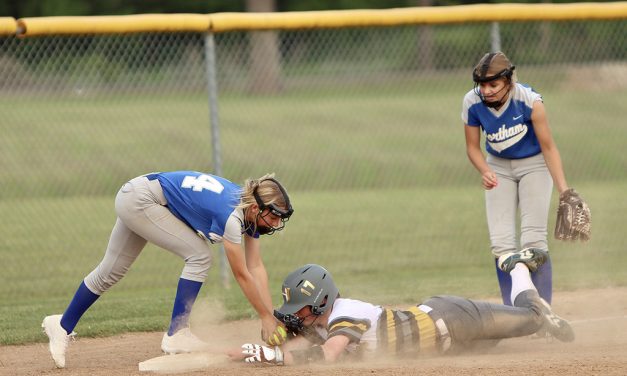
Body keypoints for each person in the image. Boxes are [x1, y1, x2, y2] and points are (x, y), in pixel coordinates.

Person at [42, 171, 293, 368]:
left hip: (138, 194)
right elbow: (241, 274)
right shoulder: (232, 217)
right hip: (143, 199)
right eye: (272, 216)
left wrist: (269, 315)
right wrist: (264, 317)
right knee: (199, 255)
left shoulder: (246, 210)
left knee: (110, 272)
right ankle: (177, 333)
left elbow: (256, 266)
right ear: (255, 208)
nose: (275, 223)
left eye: (279, 218)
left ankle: (62, 325)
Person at [232, 249, 574, 366]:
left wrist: (274, 357)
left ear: (321, 301)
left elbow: (328, 356)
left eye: (301, 306)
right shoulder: (319, 324)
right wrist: (242, 353)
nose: (295, 313)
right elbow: (296, 348)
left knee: (532, 321)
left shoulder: (344, 313)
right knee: (500, 343)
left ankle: (517, 268)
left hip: (454, 319)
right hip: (450, 343)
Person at [461, 51, 575, 306]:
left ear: (508, 82)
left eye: (493, 84)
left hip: (533, 164)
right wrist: (485, 171)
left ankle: (542, 311)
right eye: (482, 85)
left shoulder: (530, 101)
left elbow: (549, 147)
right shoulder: (471, 102)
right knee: (501, 246)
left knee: (533, 241)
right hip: (498, 167)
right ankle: (511, 314)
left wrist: (564, 190)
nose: (486, 90)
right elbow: (472, 147)